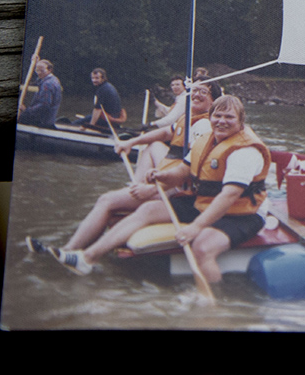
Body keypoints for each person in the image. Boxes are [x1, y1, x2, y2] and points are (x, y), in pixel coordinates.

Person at [49, 95, 271, 284]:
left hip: (242, 214)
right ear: (211, 117)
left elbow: (229, 195)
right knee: (148, 209)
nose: (222, 121)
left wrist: (195, 227)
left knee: (202, 247)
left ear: (241, 121)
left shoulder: (244, 151)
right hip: (206, 203)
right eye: (217, 116)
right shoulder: (206, 139)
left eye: (229, 117)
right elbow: (182, 171)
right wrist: (161, 177)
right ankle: (86, 258)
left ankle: (213, 307)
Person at [27, 80, 221, 256]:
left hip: (175, 189)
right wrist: (132, 142)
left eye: (203, 92)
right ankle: (134, 187)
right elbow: (163, 134)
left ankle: (70, 251)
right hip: (169, 182)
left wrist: (153, 189)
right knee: (151, 145)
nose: (196, 94)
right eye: (194, 90)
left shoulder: (204, 125)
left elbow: (190, 170)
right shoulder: (187, 118)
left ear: (213, 102)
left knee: (106, 200)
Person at [18, 58, 62, 128]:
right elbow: (39, 79)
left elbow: (44, 105)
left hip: (42, 121)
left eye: (42, 71)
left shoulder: (47, 84)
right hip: (49, 120)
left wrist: (26, 110)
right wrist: (36, 63)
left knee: (21, 118)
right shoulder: (54, 79)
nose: (39, 73)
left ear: (49, 70)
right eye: (37, 70)